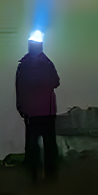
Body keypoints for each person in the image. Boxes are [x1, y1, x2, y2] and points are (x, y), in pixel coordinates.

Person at [14, 32, 61, 181]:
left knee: (32, 143)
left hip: (30, 111)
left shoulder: (23, 65)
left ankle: (33, 175)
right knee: (49, 144)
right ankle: (51, 175)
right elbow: (56, 82)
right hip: (47, 110)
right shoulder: (47, 63)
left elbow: (19, 86)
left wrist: (20, 105)